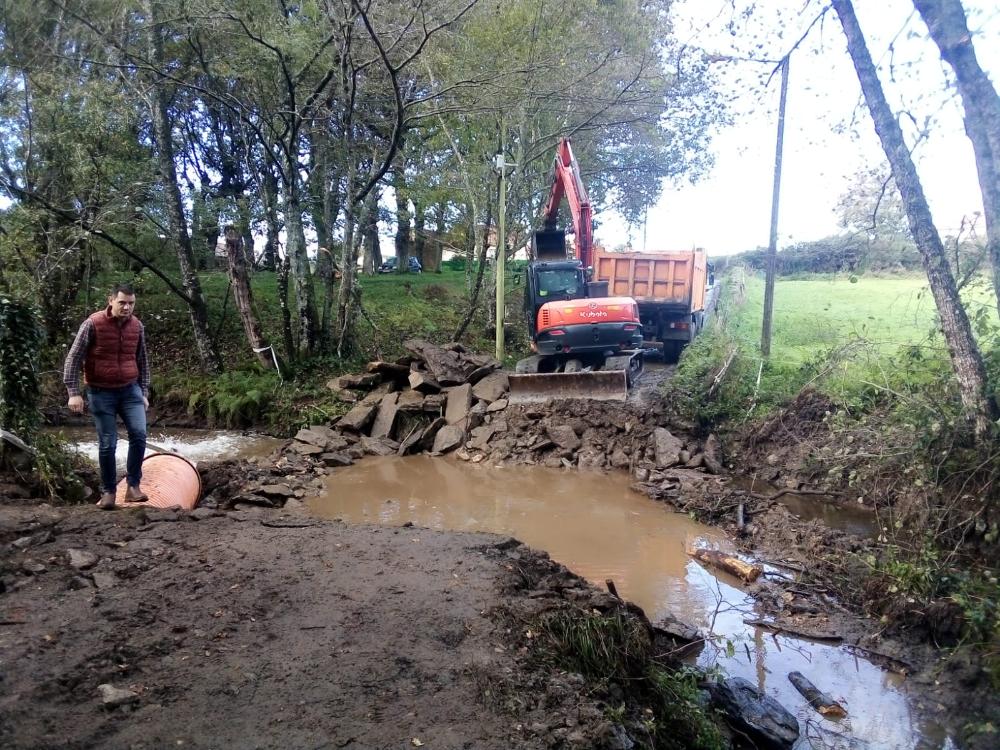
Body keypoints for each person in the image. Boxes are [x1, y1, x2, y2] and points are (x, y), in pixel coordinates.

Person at [63, 283, 150, 510]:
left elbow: (142, 360)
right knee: (108, 443)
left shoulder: (137, 326)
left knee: (139, 434)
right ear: (111, 301)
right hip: (101, 392)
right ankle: (109, 491)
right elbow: (73, 358)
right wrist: (73, 393)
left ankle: (133, 487)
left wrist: (144, 391)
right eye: (122, 302)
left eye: (131, 303)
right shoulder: (92, 324)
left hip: (130, 390)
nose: (127, 307)